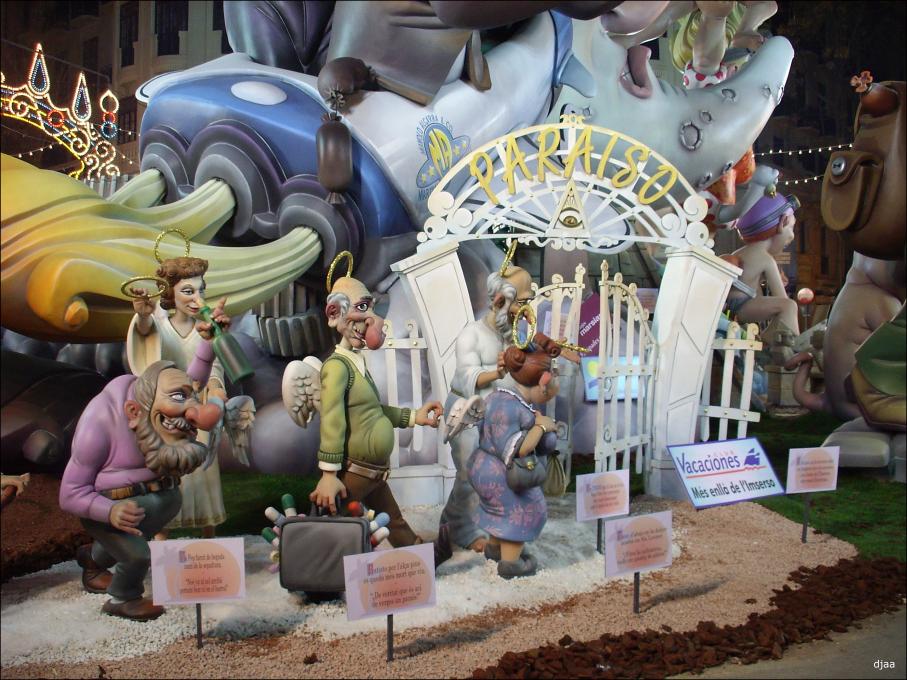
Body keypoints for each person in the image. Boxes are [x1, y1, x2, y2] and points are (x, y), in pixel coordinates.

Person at [59, 304, 227, 621]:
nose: (193, 413)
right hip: (113, 505)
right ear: (135, 412)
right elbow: (70, 493)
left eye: (190, 400)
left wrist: (208, 344)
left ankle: (93, 560)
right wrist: (109, 511)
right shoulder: (100, 423)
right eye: (180, 399)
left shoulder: (160, 402)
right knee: (137, 555)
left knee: (129, 537)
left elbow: (188, 384)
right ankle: (123, 598)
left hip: (154, 501)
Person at [310, 266, 446, 555]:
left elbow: (374, 411)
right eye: (361, 308)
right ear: (335, 314)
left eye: (370, 308)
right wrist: (329, 474)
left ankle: (420, 556)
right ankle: (320, 565)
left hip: (373, 472)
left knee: (392, 518)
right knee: (336, 522)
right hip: (355, 472)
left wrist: (415, 417)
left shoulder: (357, 363)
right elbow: (332, 420)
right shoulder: (337, 367)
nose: (369, 319)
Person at [127, 256, 241, 540]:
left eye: (201, 290)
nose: (197, 298)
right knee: (167, 470)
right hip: (166, 414)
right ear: (170, 293)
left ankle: (209, 539)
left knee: (202, 470)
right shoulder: (160, 325)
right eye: (188, 291)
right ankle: (161, 535)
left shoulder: (205, 327)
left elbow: (214, 366)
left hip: (197, 409)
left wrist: (216, 389)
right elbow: (148, 343)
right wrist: (144, 317)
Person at [440, 264, 535, 554]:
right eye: (522, 303)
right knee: (471, 475)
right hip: (468, 413)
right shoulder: (471, 334)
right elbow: (468, 377)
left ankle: (485, 526)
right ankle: (462, 528)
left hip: (497, 416)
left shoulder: (513, 334)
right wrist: (498, 371)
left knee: (496, 477)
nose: (526, 310)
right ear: (500, 301)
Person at [468, 334, 561, 579]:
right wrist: (541, 426)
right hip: (501, 473)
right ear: (543, 381)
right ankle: (511, 563)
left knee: (499, 509)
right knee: (524, 507)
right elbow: (518, 448)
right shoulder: (513, 407)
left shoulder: (500, 396)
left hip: (483, 467)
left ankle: (494, 547)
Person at [726, 193, 801, 333]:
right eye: (791, 228)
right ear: (782, 223)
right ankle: (795, 342)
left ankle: (767, 337)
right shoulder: (766, 259)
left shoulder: (739, 252)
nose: (792, 236)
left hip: (732, 303)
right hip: (742, 306)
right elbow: (782, 297)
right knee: (789, 306)